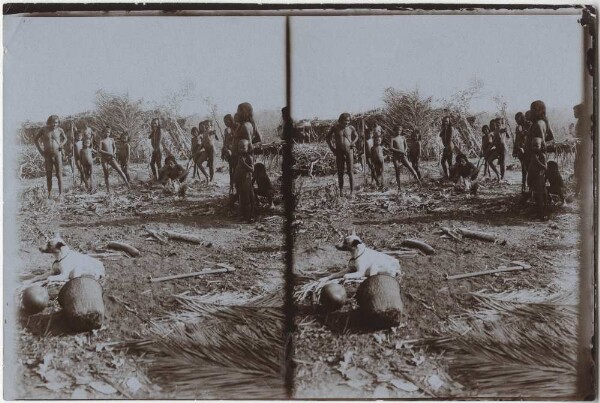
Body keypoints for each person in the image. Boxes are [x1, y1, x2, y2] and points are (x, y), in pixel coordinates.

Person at [34, 115, 67, 199]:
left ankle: (61, 194)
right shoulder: (44, 129)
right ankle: (50, 193)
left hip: (57, 154)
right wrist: (41, 151)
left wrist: (61, 145)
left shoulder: (59, 130)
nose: (54, 125)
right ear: (49, 122)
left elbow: (65, 138)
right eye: (53, 123)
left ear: (58, 123)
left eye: (56, 123)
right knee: (48, 175)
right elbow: (35, 140)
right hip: (47, 155)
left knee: (59, 174)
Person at [326, 113, 359, 196]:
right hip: (339, 152)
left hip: (349, 151)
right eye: (345, 121)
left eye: (348, 121)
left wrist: (353, 143)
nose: (347, 123)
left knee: (350, 171)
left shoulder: (351, 128)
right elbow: (328, 138)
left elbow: (357, 136)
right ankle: (341, 191)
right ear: (340, 120)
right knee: (340, 172)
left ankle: (352, 192)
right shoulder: (335, 128)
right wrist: (332, 149)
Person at [99, 127, 130, 193]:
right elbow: (99, 150)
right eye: (106, 132)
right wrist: (109, 153)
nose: (107, 133)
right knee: (106, 173)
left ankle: (128, 185)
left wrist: (113, 153)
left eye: (109, 132)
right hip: (104, 159)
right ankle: (108, 190)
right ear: (103, 132)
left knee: (120, 171)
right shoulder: (101, 141)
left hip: (111, 158)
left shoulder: (111, 139)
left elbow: (114, 147)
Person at [390, 125, 421, 190]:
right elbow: (391, 148)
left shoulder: (403, 138)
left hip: (403, 156)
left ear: (401, 131)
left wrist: (405, 151)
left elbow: (406, 146)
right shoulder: (393, 138)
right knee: (397, 171)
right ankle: (399, 187)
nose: (398, 131)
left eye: (400, 130)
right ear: (394, 130)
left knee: (411, 168)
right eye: (397, 130)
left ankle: (419, 182)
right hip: (396, 157)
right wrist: (400, 151)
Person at [527, 137, 548, 220]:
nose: (534, 148)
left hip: (539, 179)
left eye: (536, 145)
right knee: (536, 197)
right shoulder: (533, 155)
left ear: (541, 146)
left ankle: (542, 215)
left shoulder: (542, 156)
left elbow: (545, 167)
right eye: (533, 146)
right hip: (533, 178)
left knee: (540, 197)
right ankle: (538, 214)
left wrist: (537, 161)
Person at [236, 139, 255, 222]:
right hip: (240, 180)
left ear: (248, 148)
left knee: (247, 199)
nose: (241, 149)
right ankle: (242, 216)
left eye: (243, 148)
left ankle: (248, 217)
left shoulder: (249, 157)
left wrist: (244, 164)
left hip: (246, 180)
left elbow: (252, 169)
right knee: (241, 198)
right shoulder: (240, 157)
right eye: (239, 147)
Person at [513, 112, 529, 193]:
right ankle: (524, 185)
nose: (516, 121)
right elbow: (516, 139)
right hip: (521, 149)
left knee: (528, 168)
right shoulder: (519, 127)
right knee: (524, 168)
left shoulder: (529, 124)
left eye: (517, 119)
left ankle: (527, 186)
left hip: (529, 149)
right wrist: (514, 150)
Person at [221, 114, 236, 193]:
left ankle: (234, 186)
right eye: (224, 122)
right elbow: (225, 141)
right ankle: (231, 186)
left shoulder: (236, 128)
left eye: (226, 121)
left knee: (235, 169)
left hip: (235, 150)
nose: (225, 123)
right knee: (231, 169)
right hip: (229, 150)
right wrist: (223, 150)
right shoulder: (226, 130)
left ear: (231, 120)